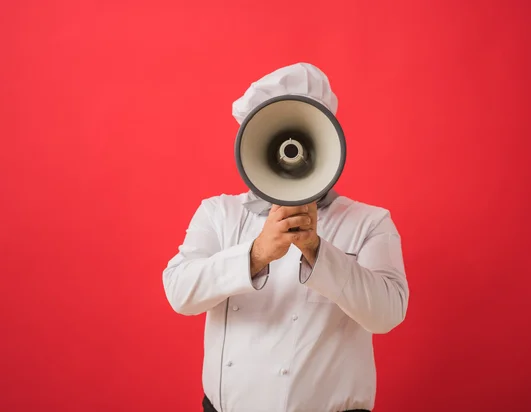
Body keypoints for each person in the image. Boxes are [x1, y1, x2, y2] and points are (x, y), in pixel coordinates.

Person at [162, 62, 409, 412]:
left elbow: (387, 314)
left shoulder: (368, 222)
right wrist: (255, 255)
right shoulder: (219, 213)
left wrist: (317, 250)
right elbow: (179, 293)